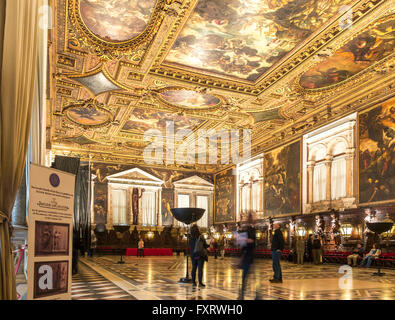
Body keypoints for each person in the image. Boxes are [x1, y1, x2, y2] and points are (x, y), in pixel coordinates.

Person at [238, 214, 256, 300]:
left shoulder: (252, 230)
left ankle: (242, 295)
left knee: (247, 276)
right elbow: (243, 243)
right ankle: (242, 294)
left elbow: (253, 241)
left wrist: (244, 240)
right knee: (246, 277)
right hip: (246, 255)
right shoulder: (246, 229)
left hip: (249, 255)